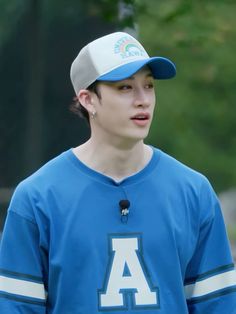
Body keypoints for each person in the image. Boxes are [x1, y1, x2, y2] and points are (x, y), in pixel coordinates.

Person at [0, 31, 235, 314]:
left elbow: (218, 306)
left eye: (148, 86)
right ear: (88, 100)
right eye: (125, 88)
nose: (143, 100)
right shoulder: (37, 198)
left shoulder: (193, 191)